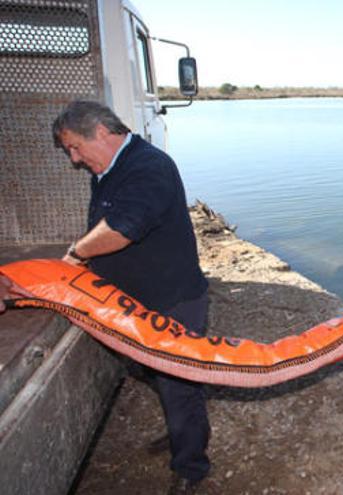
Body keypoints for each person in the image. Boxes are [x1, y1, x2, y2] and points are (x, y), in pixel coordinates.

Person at [52, 100, 211, 494]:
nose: (74, 159)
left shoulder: (149, 166)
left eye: (75, 147)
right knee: (143, 368)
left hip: (170, 302)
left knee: (179, 384)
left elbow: (122, 228)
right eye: (69, 150)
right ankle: (181, 428)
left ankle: (191, 467)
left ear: (103, 132)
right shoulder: (108, 167)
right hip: (131, 304)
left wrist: (77, 255)